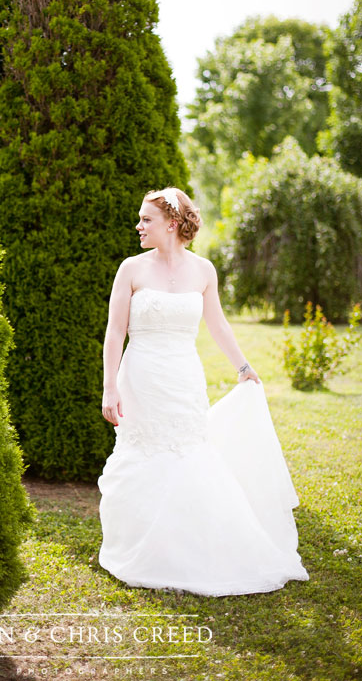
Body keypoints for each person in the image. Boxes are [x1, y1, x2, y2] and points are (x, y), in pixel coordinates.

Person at [97, 187, 309, 596]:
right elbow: (114, 333)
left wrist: (244, 368)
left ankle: (189, 549)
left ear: (172, 224)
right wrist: (109, 387)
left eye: (147, 220)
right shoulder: (131, 269)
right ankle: (142, 548)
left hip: (184, 378)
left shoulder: (204, 270)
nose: (139, 226)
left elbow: (218, 325)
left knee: (190, 455)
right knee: (143, 457)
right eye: (140, 219)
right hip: (140, 378)